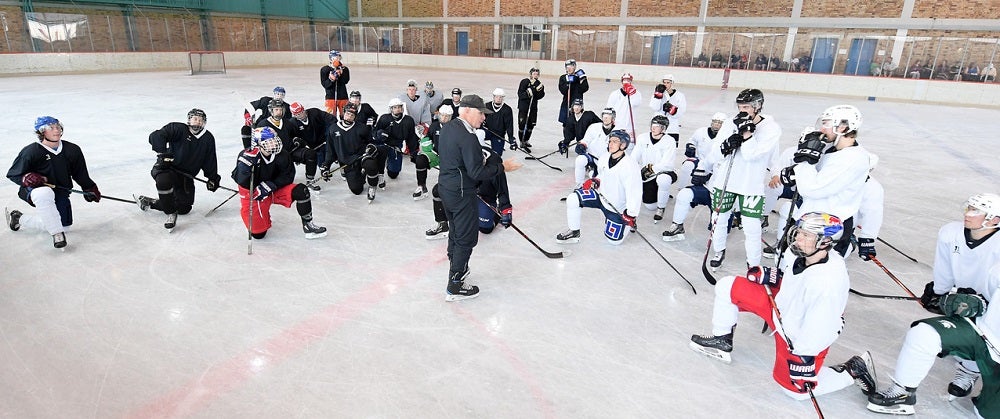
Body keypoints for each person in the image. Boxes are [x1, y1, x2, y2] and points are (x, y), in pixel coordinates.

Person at [690, 212, 876, 401]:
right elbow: (796, 279)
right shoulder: (802, 253)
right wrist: (776, 277)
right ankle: (722, 340)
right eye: (799, 232)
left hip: (796, 334)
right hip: (780, 308)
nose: (797, 238)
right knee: (727, 287)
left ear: (825, 242)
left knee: (795, 391)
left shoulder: (828, 283)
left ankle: (853, 370)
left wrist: (804, 356)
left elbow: (822, 326)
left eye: (806, 235)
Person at [889, 193, 1000, 410]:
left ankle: (972, 369)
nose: (968, 213)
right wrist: (939, 292)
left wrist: (984, 302)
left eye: (977, 211)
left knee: (987, 338)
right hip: (963, 301)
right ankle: (968, 367)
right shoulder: (951, 233)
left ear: (995, 219)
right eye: (969, 208)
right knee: (933, 332)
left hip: (993, 307)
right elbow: (945, 266)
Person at [437, 94, 520, 301]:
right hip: (462, 193)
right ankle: (455, 285)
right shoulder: (468, 137)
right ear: (466, 110)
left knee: (456, 232)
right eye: (481, 113)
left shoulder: (448, 128)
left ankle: (456, 267)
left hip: (446, 189)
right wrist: (502, 167)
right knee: (466, 238)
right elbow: (477, 173)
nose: (484, 118)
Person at [777, 105, 870, 257]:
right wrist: (795, 171)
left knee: (814, 272)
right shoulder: (831, 150)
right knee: (790, 265)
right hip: (810, 223)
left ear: (842, 127)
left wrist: (805, 161)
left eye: (826, 124)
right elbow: (812, 177)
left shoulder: (853, 158)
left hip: (827, 230)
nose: (821, 129)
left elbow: (812, 189)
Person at [705, 88, 781, 270]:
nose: (742, 110)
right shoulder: (730, 122)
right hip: (726, 181)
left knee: (751, 226)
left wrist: (746, 135)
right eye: (740, 106)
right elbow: (714, 154)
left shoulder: (771, 128)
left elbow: (752, 155)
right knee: (719, 219)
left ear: (758, 106)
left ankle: (753, 262)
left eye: (746, 106)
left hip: (750, 184)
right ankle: (719, 250)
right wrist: (725, 147)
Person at [6, 116, 101, 248]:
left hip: (61, 191)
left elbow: (79, 173)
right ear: (42, 132)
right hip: (35, 191)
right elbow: (13, 174)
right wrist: (26, 178)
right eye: (51, 128)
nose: (56, 130)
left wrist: (89, 187)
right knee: (43, 193)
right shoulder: (31, 151)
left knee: (64, 226)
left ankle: (19, 218)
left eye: (58, 127)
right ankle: (57, 234)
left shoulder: (72, 150)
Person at [232, 127, 327, 240]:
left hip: (274, 188)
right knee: (258, 234)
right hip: (255, 194)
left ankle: (308, 226)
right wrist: (246, 167)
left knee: (301, 191)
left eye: (274, 139)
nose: (274, 143)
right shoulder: (247, 157)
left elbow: (288, 176)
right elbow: (241, 181)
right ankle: (263, 218)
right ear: (259, 144)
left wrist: (271, 185)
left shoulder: (282, 154)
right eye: (269, 142)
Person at [135, 109, 221, 231]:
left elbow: (210, 159)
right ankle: (170, 212)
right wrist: (163, 153)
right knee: (163, 182)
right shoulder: (178, 128)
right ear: (189, 120)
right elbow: (156, 135)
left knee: (184, 207)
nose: (197, 122)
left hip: (186, 176)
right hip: (168, 167)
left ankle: (151, 202)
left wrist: (212, 178)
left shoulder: (208, 138)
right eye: (195, 119)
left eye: (200, 120)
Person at [426, 125, 513, 239]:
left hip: (484, 195)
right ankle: (442, 224)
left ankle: (495, 213)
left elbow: (502, 187)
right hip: (465, 188)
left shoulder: (494, 161)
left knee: (485, 228)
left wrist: (505, 208)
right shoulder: (461, 151)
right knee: (438, 190)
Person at [556, 130, 641, 244]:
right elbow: (601, 175)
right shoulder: (605, 157)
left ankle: (628, 225)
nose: (610, 144)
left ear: (623, 145)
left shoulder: (630, 166)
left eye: (615, 141)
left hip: (617, 207)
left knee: (613, 242)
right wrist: (596, 181)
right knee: (573, 199)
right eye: (610, 141)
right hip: (601, 196)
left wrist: (631, 214)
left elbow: (634, 192)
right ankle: (574, 232)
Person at [370, 98, 419, 202]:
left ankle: (389, 164)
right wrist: (379, 135)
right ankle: (379, 172)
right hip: (383, 144)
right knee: (378, 159)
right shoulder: (384, 118)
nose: (398, 109)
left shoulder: (408, 120)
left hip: (396, 146)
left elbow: (411, 137)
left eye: (399, 107)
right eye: (395, 107)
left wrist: (414, 152)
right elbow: (375, 132)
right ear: (391, 109)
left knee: (393, 174)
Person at [631, 115, 677, 224]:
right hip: (647, 175)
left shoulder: (670, 141)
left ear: (664, 128)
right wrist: (634, 170)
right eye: (653, 125)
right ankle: (659, 194)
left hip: (665, 172)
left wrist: (652, 169)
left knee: (663, 180)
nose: (653, 128)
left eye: (657, 126)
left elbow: (668, 164)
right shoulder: (642, 138)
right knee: (650, 206)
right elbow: (634, 157)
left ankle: (661, 208)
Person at [321, 103, 373, 196]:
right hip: (348, 163)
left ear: (355, 117)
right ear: (343, 113)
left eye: (352, 115)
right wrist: (326, 166)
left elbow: (370, 143)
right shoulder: (333, 129)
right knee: (356, 190)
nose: (349, 117)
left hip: (361, 158)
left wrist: (370, 149)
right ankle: (361, 175)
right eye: (347, 114)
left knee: (371, 164)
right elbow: (330, 150)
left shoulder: (362, 128)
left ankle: (368, 174)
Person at [289, 102, 337, 190]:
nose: (301, 115)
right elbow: (292, 138)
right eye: (298, 114)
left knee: (332, 155)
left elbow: (331, 119)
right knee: (321, 164)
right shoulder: (292, 123)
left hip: (325, 141)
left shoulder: (314, 112)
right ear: (294, 115)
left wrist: (331, 134)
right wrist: (298, 149)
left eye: (302, 112)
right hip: (312, 147)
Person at [413, 104, 452, 200]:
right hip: (436, 154)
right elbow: (429, 138)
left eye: (446, 116)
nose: (444, 118)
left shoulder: (455, 128)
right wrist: (424, 139)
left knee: (446, 175)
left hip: (450, 157)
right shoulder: (434, 126)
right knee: (420, 160)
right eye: (442, 115)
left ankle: (445, 190)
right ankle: (421, 186)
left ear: (450, 117)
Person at [573, 107, 618, 186]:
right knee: (580, 160)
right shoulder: (594, 127)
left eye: (608, 115)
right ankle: (579, 185)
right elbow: (586, 140)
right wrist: (582, 145)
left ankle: (593, 172)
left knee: (598, 181)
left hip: (606, 161)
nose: (605, 117)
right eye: (604, 115)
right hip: (591, 157)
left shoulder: (618, 131)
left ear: (613, 118)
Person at [647, 74, 687, 145]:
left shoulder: (680, 96)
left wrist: (672, 110)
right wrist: (658, 95)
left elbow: (681, 112)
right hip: (658, 126)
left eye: (668, 83)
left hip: (672, 128)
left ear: (672, 83)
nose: (665, 85)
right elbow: (654, 107)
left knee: (671, 149)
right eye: (664, 82)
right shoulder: (658, 93)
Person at [605, 73, 642, 140]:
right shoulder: (614, 94)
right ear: (622, 81)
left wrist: (632, 94)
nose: (626, 82)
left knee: (630, 145)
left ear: (631, 81)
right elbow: (608, 108)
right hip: (617, 125)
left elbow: (636, 103)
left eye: (628, 80)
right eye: (624, 80)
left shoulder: (637, 93)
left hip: (630, 126)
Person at [516, 67, 545, 152]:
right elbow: (521, 95)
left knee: (531, 125)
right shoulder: (525, 81)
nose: (535, 75)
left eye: (537, 74)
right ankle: (521, 141)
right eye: (534, 73)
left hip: (533, 108)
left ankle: (526, 140)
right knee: (522, 124)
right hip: (524, 107)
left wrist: (540, 91)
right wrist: (531, 90)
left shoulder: (539, 84)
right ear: (530, 74)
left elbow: (540, 96)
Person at [483, 88, 516, 156]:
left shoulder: (507, 109)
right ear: (493, 97)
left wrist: (511, 138)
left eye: (501, 97)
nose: (498, 98)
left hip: (498, 135)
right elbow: (480, 118)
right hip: (487, 131)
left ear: (503, 98)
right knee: (477, 136)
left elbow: (509, 125)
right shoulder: (487, 106)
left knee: (497, 156)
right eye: (497, 97)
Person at [558, 59, 589, 127]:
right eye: (567, 67)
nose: (569, 68)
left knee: (578, 123)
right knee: (566, 123)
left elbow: (585, 88)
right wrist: (568, 83)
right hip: (567, 104)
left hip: (577, 104)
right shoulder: (563, 78)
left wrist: (583, 79)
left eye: (571, 66)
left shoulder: (579, 77)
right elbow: (563, 91)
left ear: (574, 67)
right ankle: (567, 137)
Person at [320, 50, 350, 118]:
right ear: (331, 58)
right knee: (330, 117)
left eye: (338, 57)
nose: (337, 59)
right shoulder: (325, 69)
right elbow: (325, 85)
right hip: (331, 97)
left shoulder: (345, 69)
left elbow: (345, 81)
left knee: (345, 116)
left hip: (343, 96)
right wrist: (331, 79)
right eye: (335, 57)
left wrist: (341, 74)